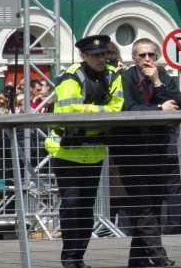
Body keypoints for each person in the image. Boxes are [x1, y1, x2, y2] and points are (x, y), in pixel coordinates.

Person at [44, 35, 124, 268]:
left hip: (94, 152)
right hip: (66, 152)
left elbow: (117, 109)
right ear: (83, 56)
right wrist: (102, 111)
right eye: (96, 55)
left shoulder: (113, 75)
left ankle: (78, 257)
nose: (101, 59)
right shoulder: (71, 76)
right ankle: (69, 258)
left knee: (86, 207)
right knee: (71, 204)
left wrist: (92, 113)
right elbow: (70, 110)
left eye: (104, 54)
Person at [113, 38, 181, 268]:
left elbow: (178, 102)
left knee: (153, 205)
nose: (147, 59)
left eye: (151, 55)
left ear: (157, 57)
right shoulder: (125, 78)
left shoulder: (163, 76)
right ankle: (159, 256)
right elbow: (128, 108)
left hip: (158, 152)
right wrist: (157, 109)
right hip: (131, 152)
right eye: (142, 55)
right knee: (143, 204)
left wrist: (157, 82)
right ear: (133, 57)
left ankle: (138, 260)